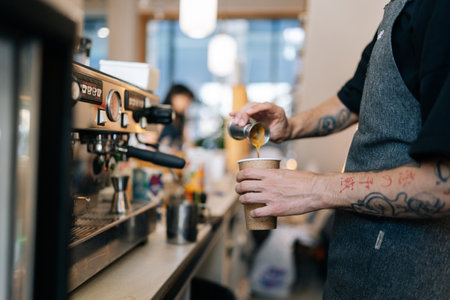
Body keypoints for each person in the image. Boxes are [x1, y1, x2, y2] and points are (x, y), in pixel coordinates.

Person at [231, 0, 450, 298]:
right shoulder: (399, 10)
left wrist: (316, 188)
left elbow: (443, 185)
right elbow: (352, 99)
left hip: (407, 275)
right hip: (354, 260)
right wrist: (290, 127)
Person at [158, 84, 194, 150]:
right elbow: (151, 140)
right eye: (184, 99)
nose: (186, 104)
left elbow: (188, 142)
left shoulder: (181, 118)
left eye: (189, 102)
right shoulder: (162, 113)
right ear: (173, 96)